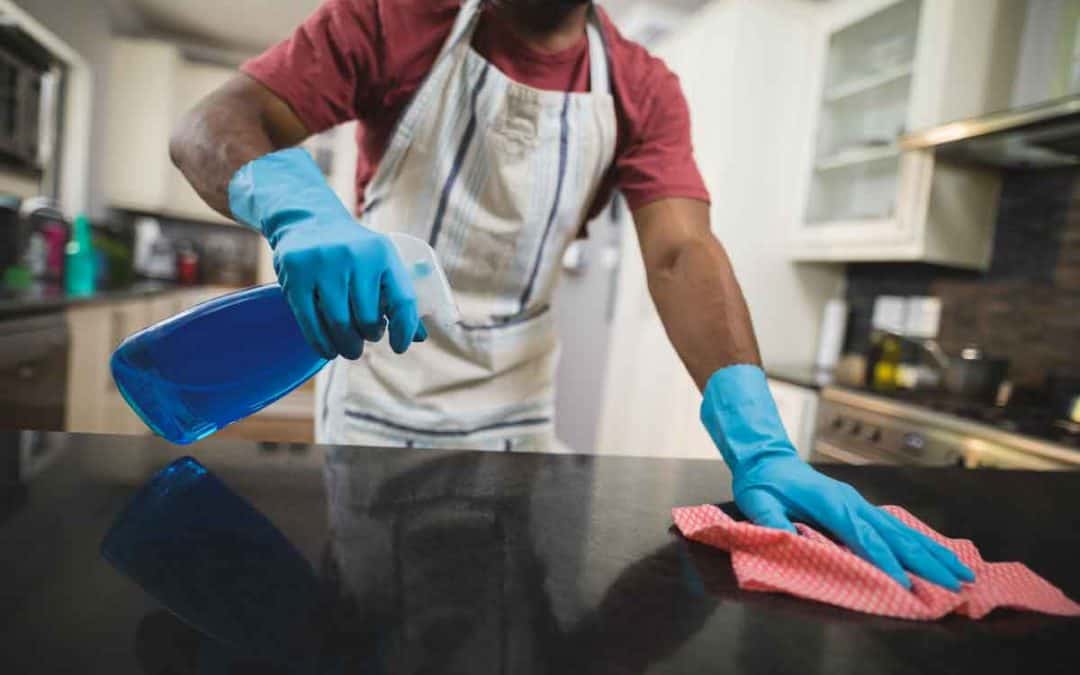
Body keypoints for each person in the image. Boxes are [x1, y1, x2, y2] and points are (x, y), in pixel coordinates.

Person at [170, 0, 974, 592]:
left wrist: (759, 440)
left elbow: (680, 250)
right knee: (373, 606)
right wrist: (299, 210)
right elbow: (214, 120)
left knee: (506, 609)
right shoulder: (392, 19)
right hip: (377, 399)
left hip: (516, 414)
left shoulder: (642, 87)